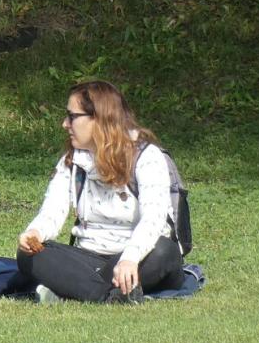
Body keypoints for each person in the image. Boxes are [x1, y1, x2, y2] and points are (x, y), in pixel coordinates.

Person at [17, 80, 185, 303]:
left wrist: (129, 259)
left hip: (140, 257)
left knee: (164, 251)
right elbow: (52, 211)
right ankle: (109, 296)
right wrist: (35, 233)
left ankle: (74, 290)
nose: (65, 124)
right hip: (89, 258)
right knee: (30, 256)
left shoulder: (147, 156)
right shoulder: (72, 161)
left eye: (72, 117)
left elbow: (153, 219)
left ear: (99, 119)